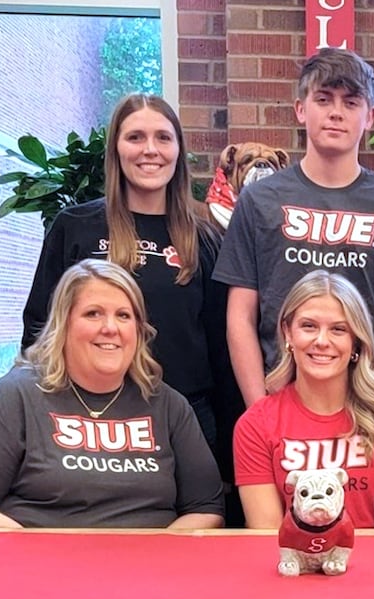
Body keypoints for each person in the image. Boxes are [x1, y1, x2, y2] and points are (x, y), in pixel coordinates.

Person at [0, 260, 224, 529]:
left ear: (139, 330)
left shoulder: (169, 405)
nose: (110, 328)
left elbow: (207, 510)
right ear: (63, 325)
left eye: (123, 315)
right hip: (41, 579)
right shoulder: (16, 396)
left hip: (145, 579)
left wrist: (157, 553)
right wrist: (27, 547)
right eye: (93, 313)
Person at [213, 47, 374, 408]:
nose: (336, 112)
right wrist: (259, 410)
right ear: (301, 109)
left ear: (370, 116)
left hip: (367, 404)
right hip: (281, 400)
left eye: (351, 103)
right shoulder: (258, 202)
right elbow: (240, 316)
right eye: (323, 99)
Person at [20, 93, 235, 454]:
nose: (150, 149)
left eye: (163, 138)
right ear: (116, 149)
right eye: (135, 137)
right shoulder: (75, 227)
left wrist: (230, 452)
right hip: (91, 418)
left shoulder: (206, 238)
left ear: (178, 150)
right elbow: (39, 330)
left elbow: (222, 348)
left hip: (186, 421)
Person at [233, 269, 374, 529]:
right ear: (288, 332)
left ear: (356, 341)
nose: (322, 341)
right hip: (290, 566)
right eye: (308, 326)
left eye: (338, 329)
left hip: (373, 565)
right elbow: (269, 537)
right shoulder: (255, 424)